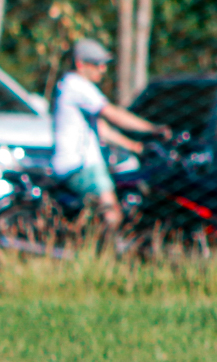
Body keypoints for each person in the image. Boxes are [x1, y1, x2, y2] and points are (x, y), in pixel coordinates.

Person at [50, 38, 170, 230]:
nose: (103, 70)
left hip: (75, 164)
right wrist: (153, 128)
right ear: (80, 64)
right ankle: (110, 244)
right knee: (111, 211)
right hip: (81, 165)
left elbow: (103, 130)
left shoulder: (70, 86)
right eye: (97, 64)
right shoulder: (77, 85)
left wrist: (135, 146)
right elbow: (113, 114)